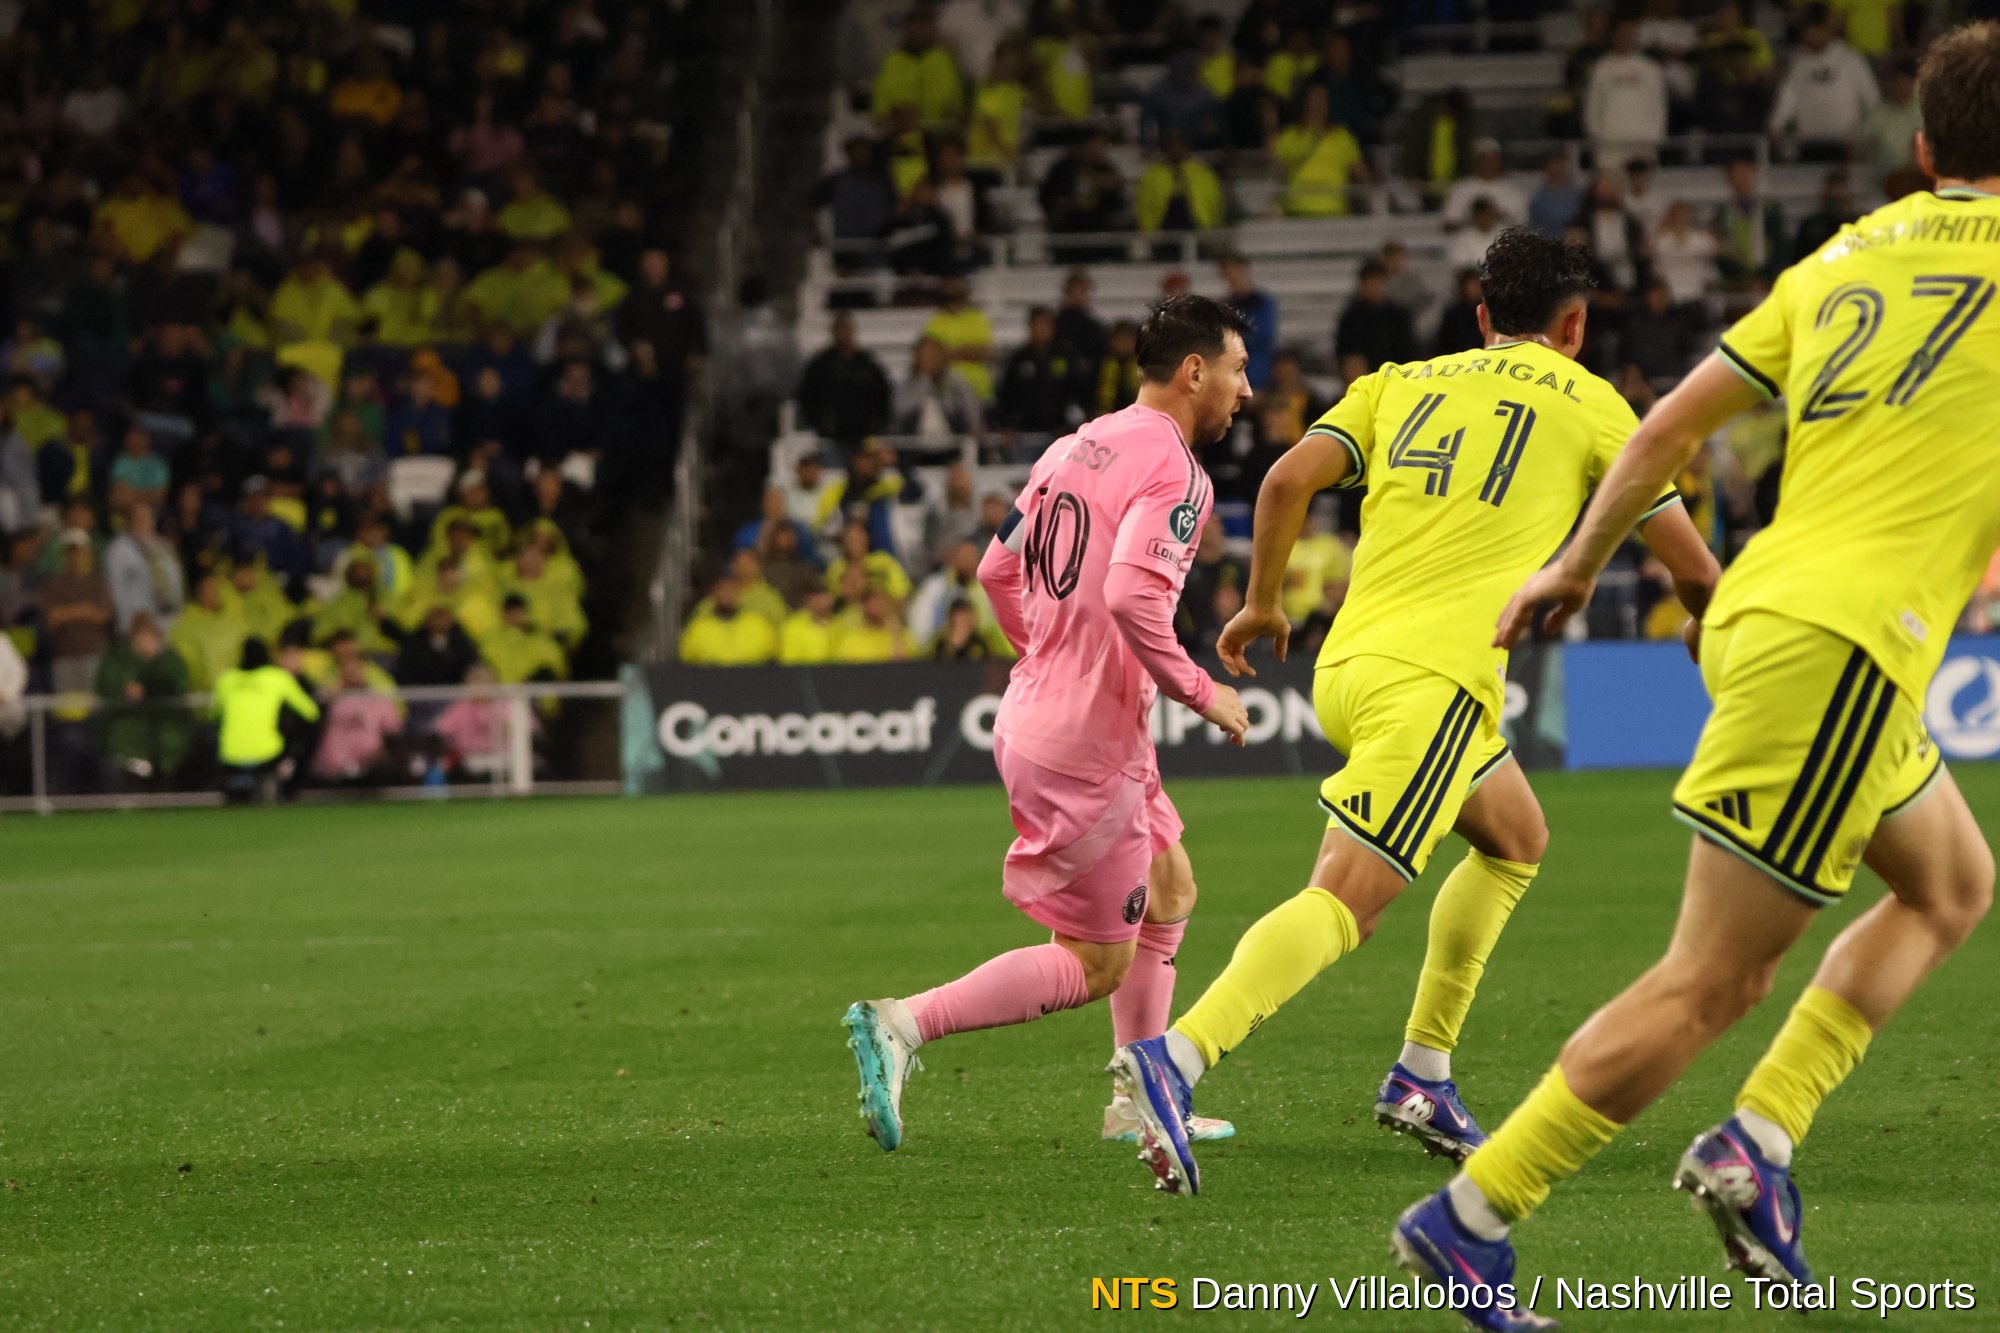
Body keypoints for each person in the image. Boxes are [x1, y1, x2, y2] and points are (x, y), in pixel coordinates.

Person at [1397, 27, 2000, 1327]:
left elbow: (1668, 425)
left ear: (1923, 149)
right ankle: (1474, 1210)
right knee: (1711, 980)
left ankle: (1762, 1146)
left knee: (1952, 882)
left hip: (1777, 612)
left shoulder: (1842, 259)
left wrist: (1571, 566)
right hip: (1843, 647)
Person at [1109, 229, 1719, 1211]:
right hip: (1432, 681)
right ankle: (1174, 1058)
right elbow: (1691, 569)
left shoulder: (1398, 381)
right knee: (1348, 899)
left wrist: (1263, 602)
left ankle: (1421, 1074)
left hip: (1350, 664)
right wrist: (1706, 622)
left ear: (1480, 319)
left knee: (1515, 837)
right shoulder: (1600, 409)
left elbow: (1280, 482)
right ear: (1573, 324)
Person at [841, 295, 1255, 1155]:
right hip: (1088, 743)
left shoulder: (1075, 444)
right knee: (1096, 959)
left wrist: (1056, 659)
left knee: (1172, 888)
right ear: (1194, 372)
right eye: (1237, 370)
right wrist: (1198, 687)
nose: (1244, 391)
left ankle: (1137, 1097)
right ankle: (905, 1022)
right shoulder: (1177, 471)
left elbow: (997, 569)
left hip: (1056, 715)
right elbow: (1133, 594)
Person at [212, 637, 321, 803]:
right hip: (268, 754)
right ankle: (290, 786)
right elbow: (311, 712)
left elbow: (213, 715)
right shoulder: (277, 677)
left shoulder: (226, 679)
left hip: (230, 754)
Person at [1769, 9, 1881, 158]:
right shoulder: (1798, 63)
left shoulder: (1851, 59)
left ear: (1826, 29)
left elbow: (1872, 100)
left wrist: (1866, 137)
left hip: (1847, 144)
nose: (1810, 35)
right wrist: (1776, 126)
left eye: (1815, 30)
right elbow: (1787, 100)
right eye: (1806, 31)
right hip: (1809, 144)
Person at [1584, 19, 1668, 164]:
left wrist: (1656, 135)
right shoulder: (1601, 67)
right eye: (1621, 34)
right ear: (1613, 36)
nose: (1625, 37)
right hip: (1610, 140)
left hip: (1644, 138)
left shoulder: (1650, 68)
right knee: (1610, 184)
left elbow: (1658, 104)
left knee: (1640, 184)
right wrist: (1597, 135)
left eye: (1629, 34)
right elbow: (1593, 104)